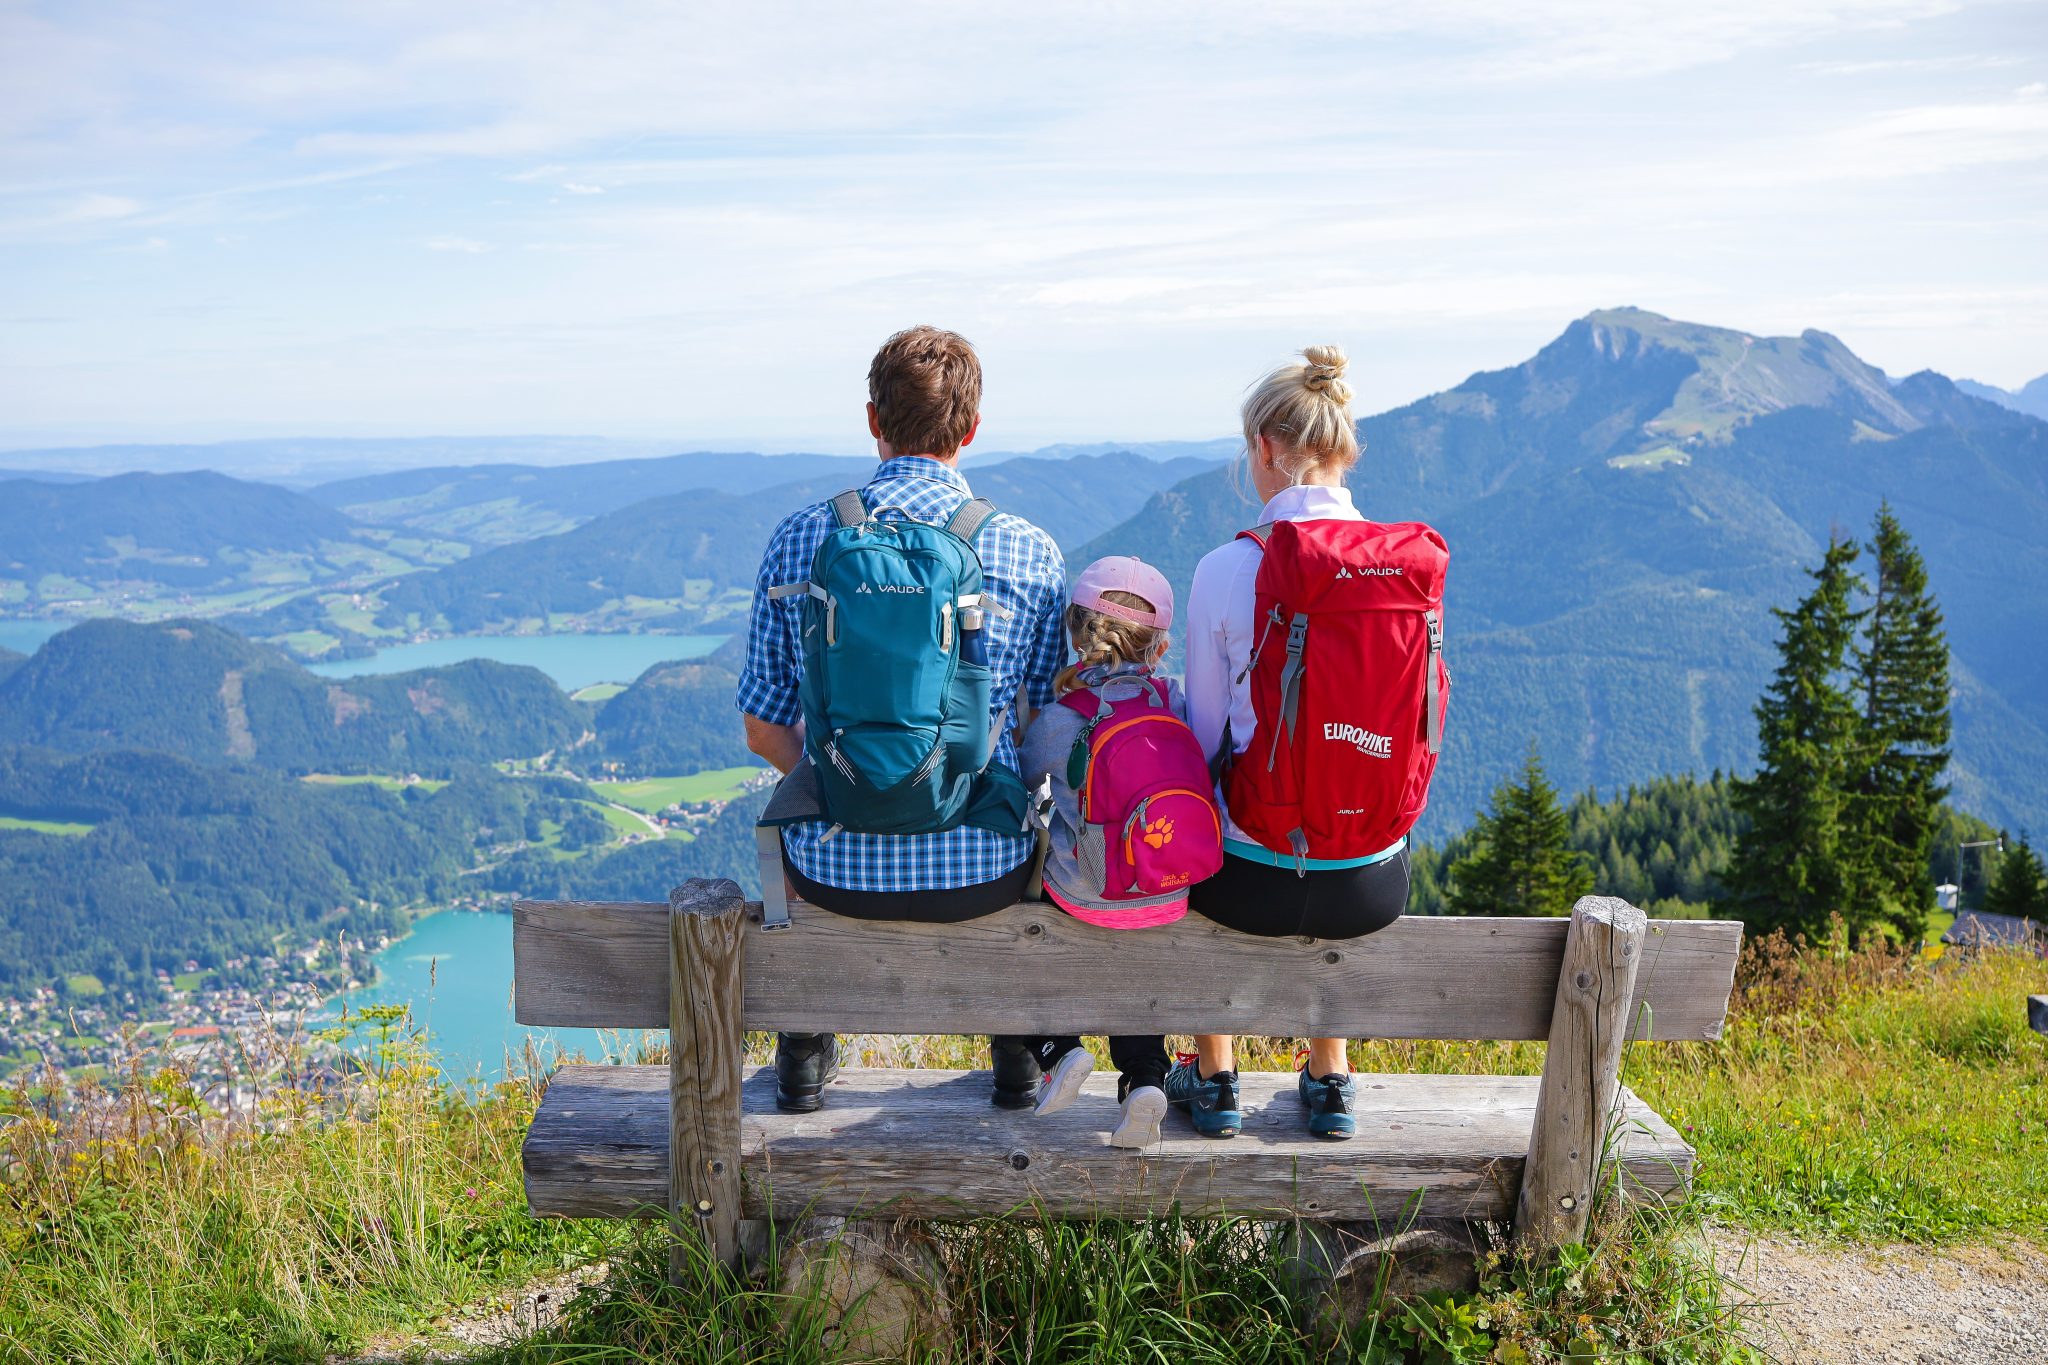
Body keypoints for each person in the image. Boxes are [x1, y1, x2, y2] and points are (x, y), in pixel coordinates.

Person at [737, 326, 1069, 1113]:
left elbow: (762, 727)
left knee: (788, 820)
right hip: (983, 876)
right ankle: (1016, 1043)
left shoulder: (800, 540)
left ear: (872, 419)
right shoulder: (1029, 551)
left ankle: (806, 1046)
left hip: (832, 875)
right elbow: (1047, 735)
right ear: (972, 428)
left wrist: (858, 789)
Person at [1173, 344, 1450, 1141]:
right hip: (1369, 885)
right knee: (1351, 806)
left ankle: (1216, 1071)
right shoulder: (1406, 572)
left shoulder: (1228, 566)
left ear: (1265, 446)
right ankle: (1329, 1073)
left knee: (1196, 830)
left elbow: (1201, 739)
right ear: (1345, 451)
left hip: (1245, 881)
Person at [1012, 556, 1221, 1149]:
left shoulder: (1058, 720)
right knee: (1139, 965)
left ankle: (1061, 1049)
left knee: (1033, 908)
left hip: (1087, 893)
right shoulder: (1175, 705)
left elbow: (1029, 785)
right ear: (1157, 649)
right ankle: (1144, 1081)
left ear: (1077, 633)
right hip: (1166, 889)